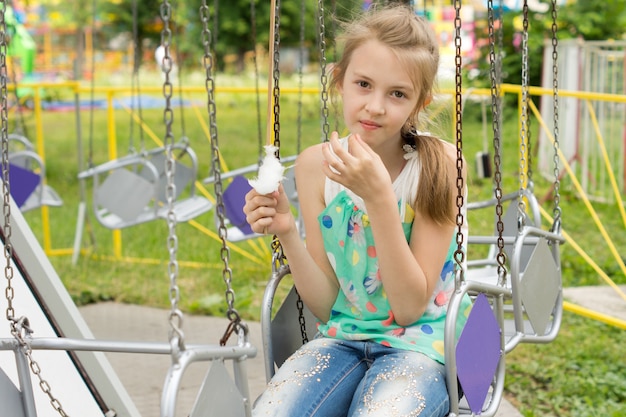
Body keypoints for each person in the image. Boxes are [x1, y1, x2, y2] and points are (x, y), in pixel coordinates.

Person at [244, 4, 470, 417]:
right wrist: (288, 232)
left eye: (397, 93)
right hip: (342, 338)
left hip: (423, 347)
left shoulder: (439, 166)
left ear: (420, 101)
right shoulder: (316, 167)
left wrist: (380, 199)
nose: (375, 106)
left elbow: (408, 308)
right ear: (339, 81)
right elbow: (327, 303)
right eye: (363, 84)